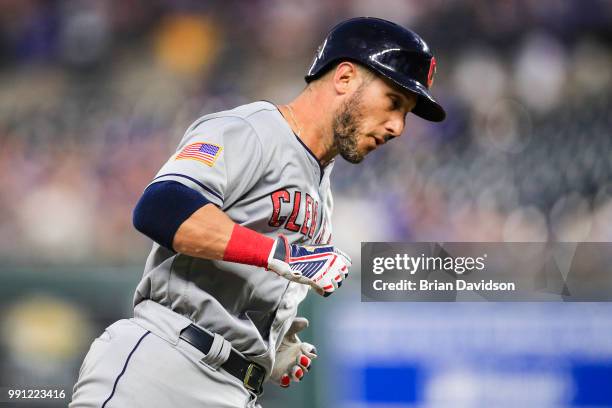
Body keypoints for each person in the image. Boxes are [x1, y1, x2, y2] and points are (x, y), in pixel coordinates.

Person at [70, 16, 445, 408]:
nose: (398, 127)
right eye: (394, 102)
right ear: (345, 78)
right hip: (164, 368)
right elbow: (161, 208)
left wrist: (269, 343)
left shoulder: (322, 191)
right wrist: (280, 255)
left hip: (234, 387)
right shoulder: (252, 130)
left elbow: (248, 270)